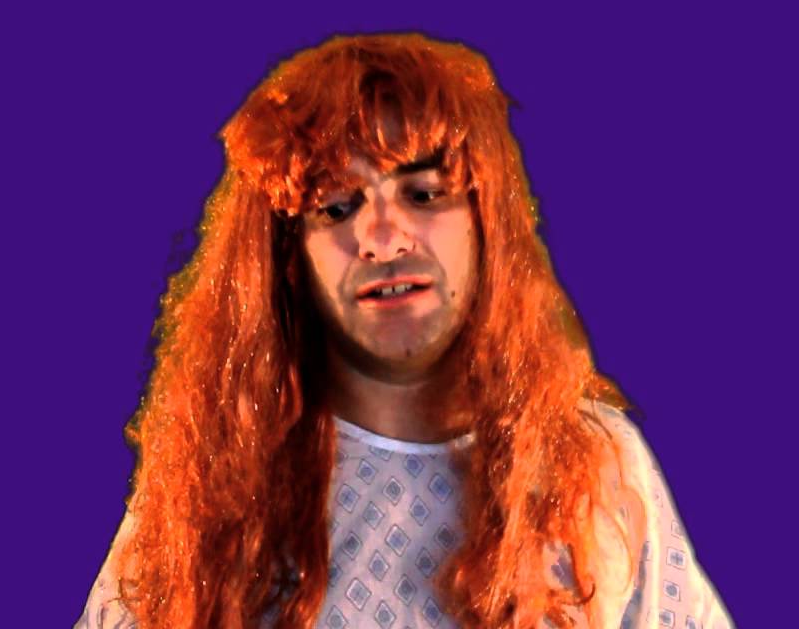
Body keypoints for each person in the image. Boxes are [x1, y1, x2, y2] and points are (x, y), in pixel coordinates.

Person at [74, 33, 734, 628]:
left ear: (486, 223)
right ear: (289, 258)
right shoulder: (212, 483)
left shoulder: (596, 468)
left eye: (423, 195)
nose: (383, 239)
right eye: (338, 207)